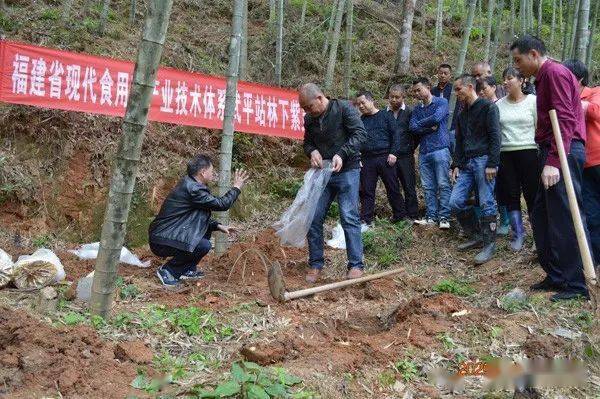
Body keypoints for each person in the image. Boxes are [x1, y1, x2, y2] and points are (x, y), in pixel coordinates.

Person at [511, 35, 590, 301]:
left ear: (533, 54)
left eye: (518, 60)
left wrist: (555, 162)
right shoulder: (542, 77)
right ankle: (557, 274)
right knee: (542, 215)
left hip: (563, 150)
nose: (517, 66)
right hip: (551, 149)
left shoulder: (554, 72)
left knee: (565, 216)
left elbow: (565, 119)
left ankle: (577, 283)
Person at [300, 83, 367, 283]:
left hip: (348, 170)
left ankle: (355, 264)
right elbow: (307, 142)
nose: (307, 112)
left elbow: (360, 134)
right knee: (314, 216)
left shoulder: (344, 108)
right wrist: (312, 151)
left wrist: (342, 153)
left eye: (309, 107)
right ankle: (316, 263)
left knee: (349, 216)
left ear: (320, 98)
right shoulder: (309, 119)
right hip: (324, 173)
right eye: (304, 109)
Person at [148, 155, 248, 286]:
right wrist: (236, 187)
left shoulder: (190, 184)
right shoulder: (193, 189)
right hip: (162, 239)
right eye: (211, 171)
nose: (213, 173)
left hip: (163, 235)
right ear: (203, 172)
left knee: (203, 233)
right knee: (203, 245)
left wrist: (218, 226)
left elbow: (197, 217)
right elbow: (222, 204)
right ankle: (168, 270)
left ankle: (186, 269)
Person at [449, 74, 501, 265]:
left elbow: (496, 137)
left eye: (458, 89)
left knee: (487, 201)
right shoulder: (462, 114)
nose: (456, 94)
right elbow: (460, 142)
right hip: (467, 163)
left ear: (469, 86)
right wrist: (456, 164)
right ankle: (477, 234)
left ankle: (489, 244)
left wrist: (492, 163)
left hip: (484, 160)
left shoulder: (488, 107)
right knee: (454, 202)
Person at [495, 66, 539, 251]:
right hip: (506, 154)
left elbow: (539, 128)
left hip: (529, 152)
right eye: (504, 78)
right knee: (511, 194)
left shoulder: (533, 102)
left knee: (532, 195)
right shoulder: (498, 104)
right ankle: (518, 233)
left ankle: (539, 235)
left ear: (522, 81)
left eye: (510, 78)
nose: (505, 82)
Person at [563, 59, 600, 267]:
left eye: (566, 78)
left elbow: (596, 111)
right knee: (592, 215)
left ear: (579, 79)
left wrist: (574, 102)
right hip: (583, 165)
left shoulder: (595, 92)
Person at [355, 90, 406, 225]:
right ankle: (366, 219)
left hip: (385, 157)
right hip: (367, 159)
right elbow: (357, 141)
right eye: (358, 104)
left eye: (363, 102)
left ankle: (400, 216)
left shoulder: (386, 115)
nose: (360, 106)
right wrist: (358, 158)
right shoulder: (361, 120)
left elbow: (396, 135)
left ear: (371, 101)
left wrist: (394, 152)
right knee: (366, 190)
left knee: (393, 187)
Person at [409, 77, 452, 229]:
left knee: (443, 183)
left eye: (419, 89)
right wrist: (429, 127)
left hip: (440, 148)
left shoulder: (441, 102)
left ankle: (445, 217)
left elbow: (437, 117)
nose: (416, 93)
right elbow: (413, 127)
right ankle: (431, 216)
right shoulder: (416, 109)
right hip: (424, 150)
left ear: (428, 87)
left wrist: (423, 124)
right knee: (428, 186)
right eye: (414, 91)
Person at [476, 76, 511, 236]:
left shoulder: (502, 104)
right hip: (482, 153)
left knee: (501, 188)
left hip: (500, 151)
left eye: (485, 88)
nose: (482, 92)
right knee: (481, 189)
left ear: (494, 87)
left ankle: (505, 221)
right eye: (480, 90)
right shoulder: (477, 107)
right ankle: (486, 224)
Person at [387, 84, 419, 220]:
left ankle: (412, 214)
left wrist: (410, 147)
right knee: (392, 187)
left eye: (397, 97)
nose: (394, 100)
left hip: (406, 156)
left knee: (409, 185)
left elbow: (416, 133)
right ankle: (399, 214)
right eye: (391, 97)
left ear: (403, 97)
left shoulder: (410, 112)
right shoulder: (385, 113)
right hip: (389, 156)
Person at [432, 63, 458, 154]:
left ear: (450, 75)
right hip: (437, 127)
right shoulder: (433, 91)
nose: (443, 75)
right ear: (437, 74)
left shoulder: (455, 90)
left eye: (445, 73)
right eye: (441, 73)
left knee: (453, 150)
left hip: (452, 126)